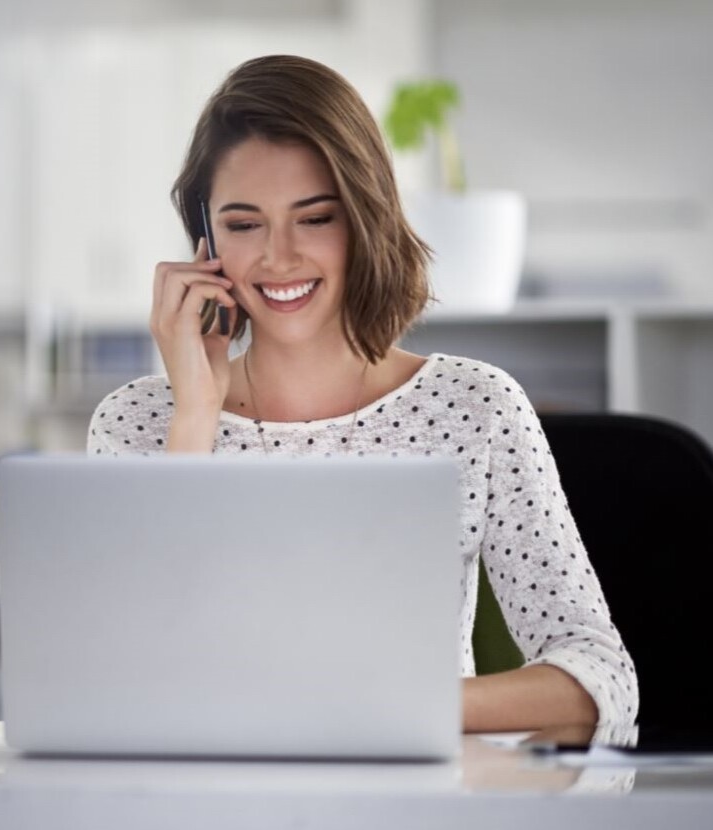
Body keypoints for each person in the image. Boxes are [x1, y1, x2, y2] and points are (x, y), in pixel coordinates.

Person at [87, 54, 638, 732]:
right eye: (242, 223)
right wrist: (195, 418)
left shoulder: (476, 407)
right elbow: (122, 681)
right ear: (204, 241)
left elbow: (599, 674)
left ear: (364, 219)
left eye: (314, 218)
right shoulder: (137, 422)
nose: (278, 256)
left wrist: (383, 712)